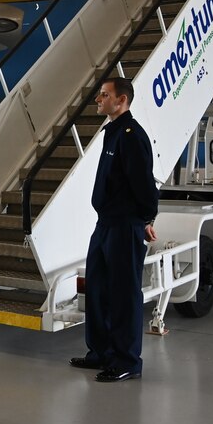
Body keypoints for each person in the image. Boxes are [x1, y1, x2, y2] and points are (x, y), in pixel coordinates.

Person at [70, 78, 159, 383]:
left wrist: (147, 219)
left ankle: (126, 361)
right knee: (97, 290)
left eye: (104, 95)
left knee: (123, 294)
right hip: (106, 224)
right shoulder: (113, 133)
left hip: (124, 225)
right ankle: (101, 352)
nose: (99, 99)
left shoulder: (132, 136)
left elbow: (145, 184)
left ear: (121, 100)